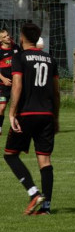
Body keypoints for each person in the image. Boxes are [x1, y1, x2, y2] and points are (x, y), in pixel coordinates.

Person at [3, 23, 60, 215]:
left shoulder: (19, 57)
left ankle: (33, 192)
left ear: (22, 37)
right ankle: (46, 207)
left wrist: (12, 113)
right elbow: (56, 92)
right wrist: (56, 118)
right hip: (47, 115)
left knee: (10, 155)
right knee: (45, 160)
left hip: (26, 114)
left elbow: (17, 85)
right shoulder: (50, 59)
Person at [0, 27, 20, 136]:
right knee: (2, 107)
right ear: (0, 40)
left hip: (16, 84)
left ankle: (15, 128)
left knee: (16, 107)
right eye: (4, 36)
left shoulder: (15, 47)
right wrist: (3, 79)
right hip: (3, 85)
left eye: (8, 35)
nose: (8, 37)